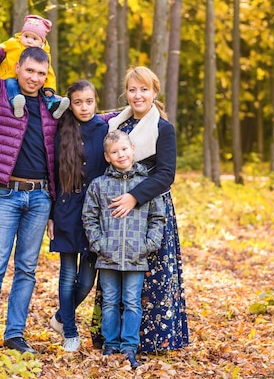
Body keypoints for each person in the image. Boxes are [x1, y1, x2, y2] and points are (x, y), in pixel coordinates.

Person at [90, 66, 190, 353]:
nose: (138, 95)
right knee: (114, 275)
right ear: (126, 93)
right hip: (116, 211)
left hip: (149, 206)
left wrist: (134, 196)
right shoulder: (117, 127)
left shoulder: (162, 128)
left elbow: (166, 174)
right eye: (132, 90)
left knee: (151, 273)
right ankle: (112, 341)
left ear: (154, 92)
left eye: (144, 89)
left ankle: (150, 341)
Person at [0, 43, 58, 358]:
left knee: (26, 269)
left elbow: (86, 125)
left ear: (47, 76)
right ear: (18, 67)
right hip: (5, 195)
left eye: (41, 73)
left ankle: (15, 335)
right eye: (29, 70)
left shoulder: (52, 106)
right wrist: (12, 46)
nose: (34, 78)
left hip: (40, 197)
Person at [82, 130, 165, 369]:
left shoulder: (146, 185)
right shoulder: (99, 185)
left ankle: (129, 347)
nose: (121, 155)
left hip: (136, 255)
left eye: (124, 149)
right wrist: (100, 245)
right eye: (115, 152)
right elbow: (89, 217)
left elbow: (158, 217)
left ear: (133, 150)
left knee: (131, 301)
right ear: (107, 157)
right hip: (107, 256)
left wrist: (148, 245)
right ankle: (111, 345)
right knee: (109, 301)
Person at [46, 80, 109, 352]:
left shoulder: (106, 129)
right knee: (68, 273)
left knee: (86, 280)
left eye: (89, 101)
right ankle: (70, 333)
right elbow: (51, 175)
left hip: (95, 213)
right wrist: (50, 215)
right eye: (78, 102)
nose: (84, 107)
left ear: (96, 101)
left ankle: (61, 317)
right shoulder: (61, 130)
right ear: (69, 104)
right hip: (67, 210)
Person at [0, 14, 69, 119]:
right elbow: (1, 47)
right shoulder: (14, 43)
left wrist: (49, 87)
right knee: (10, 84)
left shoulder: (43, 55)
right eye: (26, 36)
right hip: (10, 75)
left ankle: (54, 105)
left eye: (34, 39)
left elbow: (49, 73)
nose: (29, 41)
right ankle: (16, 102)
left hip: (31, 86)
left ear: (41, 42)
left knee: (45, 93)